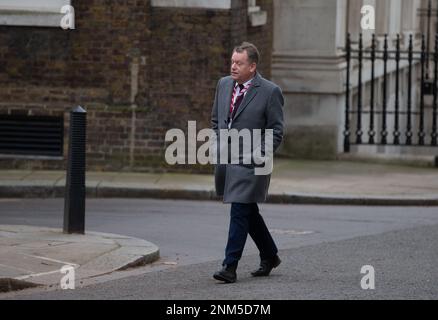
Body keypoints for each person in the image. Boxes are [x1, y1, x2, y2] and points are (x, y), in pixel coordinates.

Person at [211, 42, 284, 283]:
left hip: (252, 162)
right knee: (248, 211)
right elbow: (216, 120)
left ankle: (229, 266)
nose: (233, 66)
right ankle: (270, 255)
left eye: (239, 63)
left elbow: (275, 130)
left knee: (239, 210)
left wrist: (260, 154)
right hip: (227, 160)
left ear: (252, 66)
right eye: (232, 61)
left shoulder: (270, 91)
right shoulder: (223, 85)